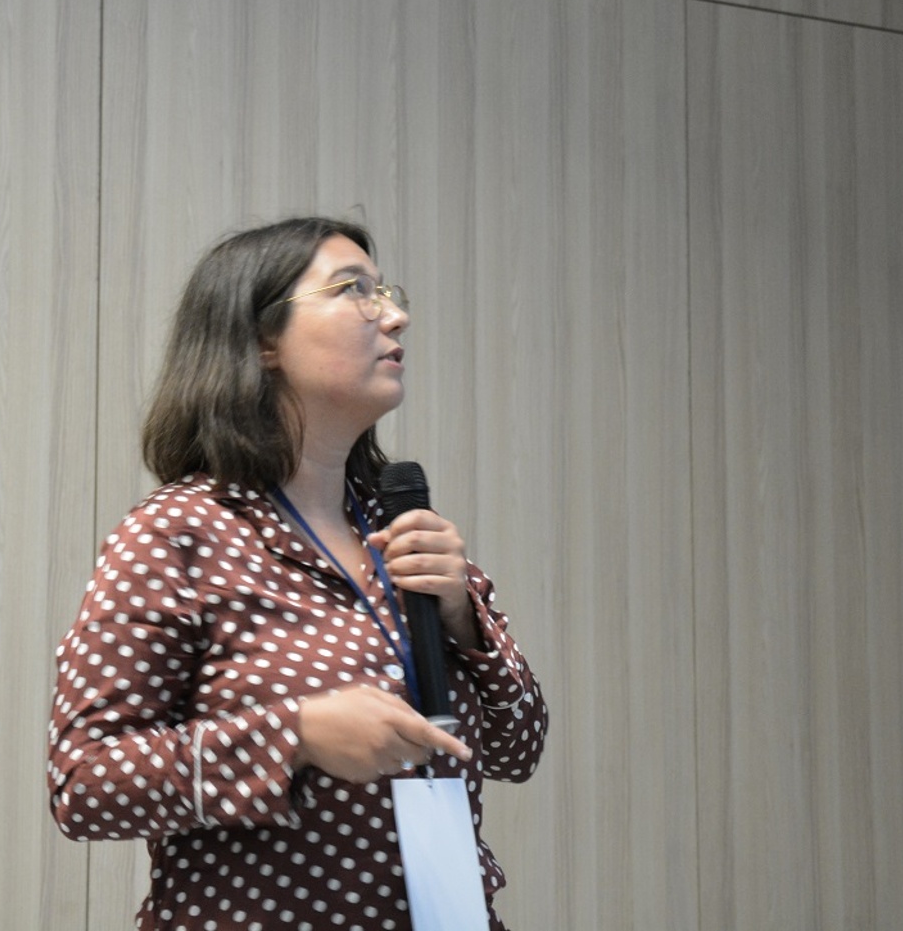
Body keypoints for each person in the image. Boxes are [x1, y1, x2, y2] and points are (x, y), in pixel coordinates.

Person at [47, 216, 547, 930]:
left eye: (387, 293)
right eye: (353, 291)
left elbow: (517, 748)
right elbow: (83, 784)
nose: (395, 316)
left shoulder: (401, 530)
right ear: (263, 340)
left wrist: (463, 619)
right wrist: (296, 735)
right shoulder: (179, 533)